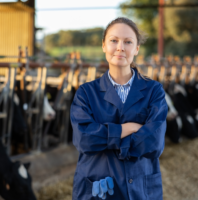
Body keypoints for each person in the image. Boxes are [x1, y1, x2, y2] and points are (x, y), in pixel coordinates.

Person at [70, 17, 168, 200]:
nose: (120, 47)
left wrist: (107, 139)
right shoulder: (86, 93)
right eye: (113, 40)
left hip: (141, 189)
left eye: (128, 42)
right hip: (99, 189)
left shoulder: (154, 91)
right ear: (104, 46)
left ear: (137, 48)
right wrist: (127, 129)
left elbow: (154, 143)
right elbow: (84, 139)